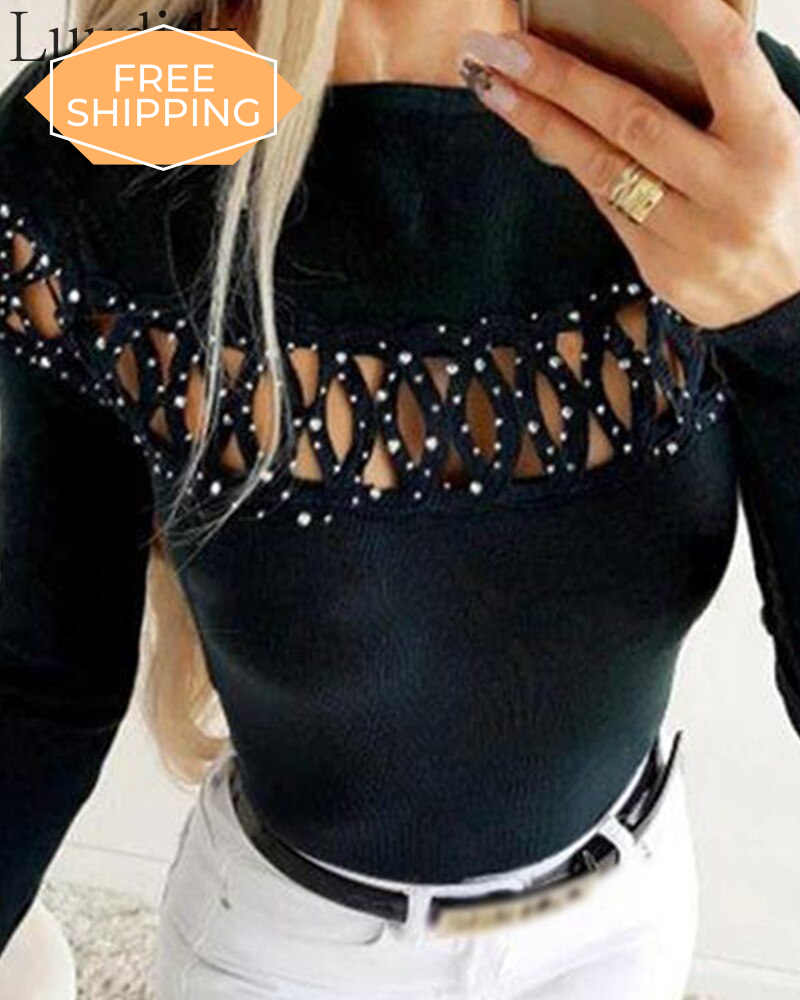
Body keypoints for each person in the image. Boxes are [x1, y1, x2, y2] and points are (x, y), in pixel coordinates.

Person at [0, 0, 799, 996]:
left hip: (617, 930)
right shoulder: (109, 119)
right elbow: (38, 677)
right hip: (288, 958)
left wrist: (782, 330)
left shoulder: (732, 122)